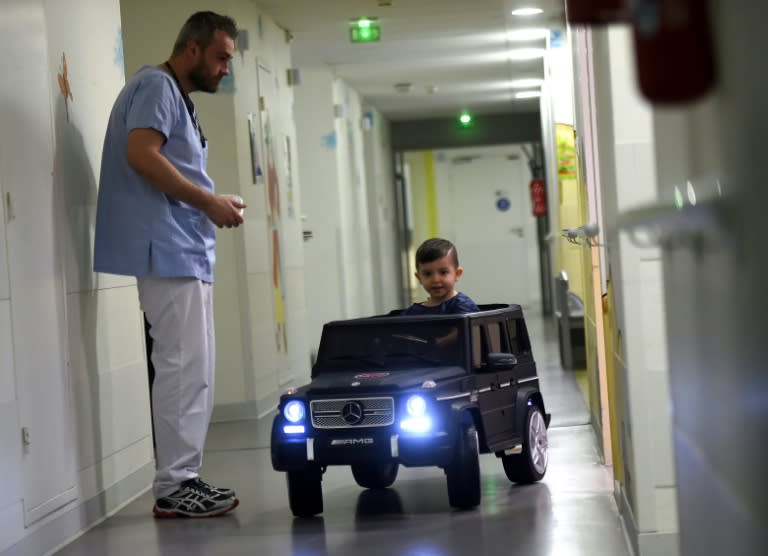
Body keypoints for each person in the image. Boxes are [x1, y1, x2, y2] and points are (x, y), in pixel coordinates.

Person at [93, 11, 245, 518]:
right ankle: (176, 484)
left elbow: (167, 162)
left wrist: (211, 201)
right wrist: (207, 202)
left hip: (182, 249)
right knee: (182, 368)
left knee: (193, 368)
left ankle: (185, 478)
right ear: (194, 49)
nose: (226, 68)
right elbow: (142, 154)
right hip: (167, 249)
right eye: (222, 56)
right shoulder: (157, 86)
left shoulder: (171, 95)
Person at [402, 238, 480, 315]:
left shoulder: (464, 307)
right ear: (419, 278)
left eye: (443, 272)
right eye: (427, 274)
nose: (435, 280)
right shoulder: (412, 313)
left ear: (457, 274)